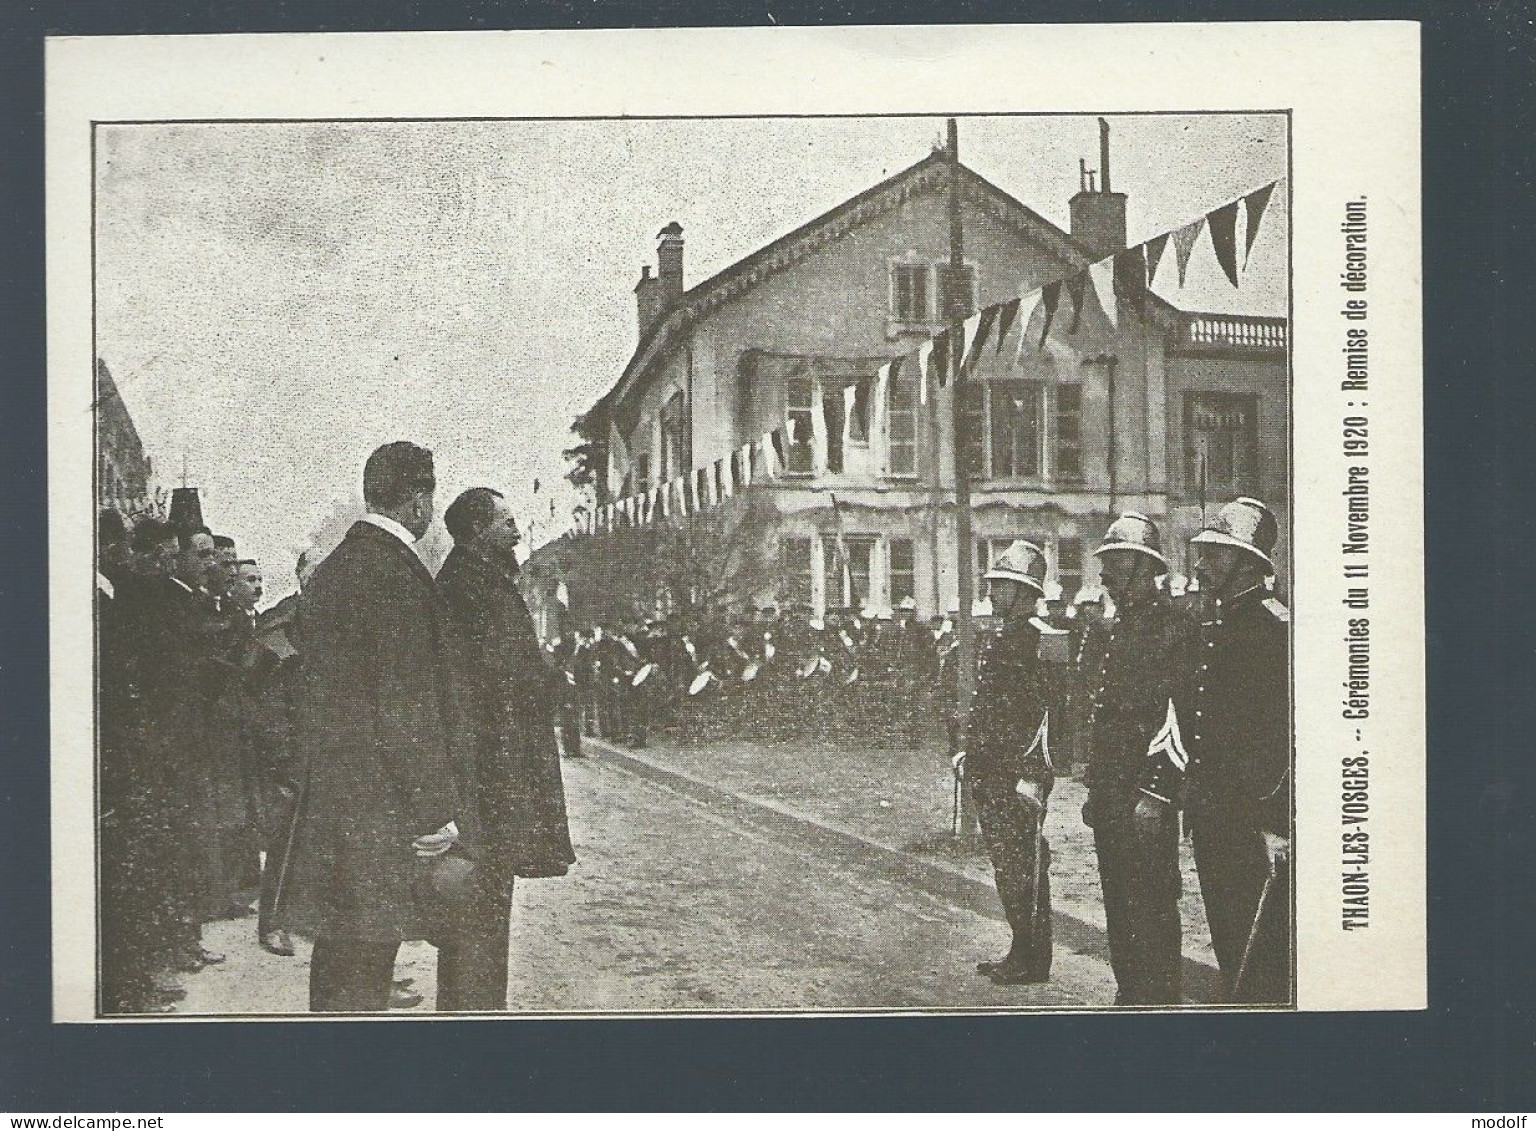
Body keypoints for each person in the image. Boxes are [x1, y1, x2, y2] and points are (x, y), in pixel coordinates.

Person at [278, 441, 474, 1012]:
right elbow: (404, 705)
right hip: (381, 803)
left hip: (339, 796)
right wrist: (437, 806)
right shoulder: (395, 574)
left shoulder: (337, 569)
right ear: (418, 501)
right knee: (366, 956)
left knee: (340, 955)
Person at [436, 488, 576, 1011]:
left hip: (493, 765)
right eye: (508, 521)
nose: (517, 532)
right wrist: (553, 683)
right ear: (477, 529)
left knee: (486, 901)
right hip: (489, 770)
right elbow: (502, 675)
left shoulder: (478, 581)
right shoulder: (472, 587)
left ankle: (475, 1008)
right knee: (481, 902)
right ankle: (473, 1016)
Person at [1079, 513, 1192, 1005]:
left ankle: (1159, 998)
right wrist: (1096, 785)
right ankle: (1131, 993)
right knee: (1119, 898)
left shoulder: (1172, 627)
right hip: (1111, 790)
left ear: (1143, 569)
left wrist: (1156, 792)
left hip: (1144, 794)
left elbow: (1175, 717)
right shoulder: (1119, 627)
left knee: (1152, 898)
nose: (1104, 575)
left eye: (1115, 566)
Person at [1183, 497, 1292, 1004]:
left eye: (1215, 555)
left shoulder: (1273, 629)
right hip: (1213, 810)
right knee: (1229, 934)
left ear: (1247, 563)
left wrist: (1274, 820)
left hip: (1251, 817)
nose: (1202, 565)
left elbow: (1280, 736)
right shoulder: (1218, 623)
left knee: (1259, 948)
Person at [954, 540, 1056, 985]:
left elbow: (1052, 714)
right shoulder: (1008, 635)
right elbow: (992, 706)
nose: (993, 593)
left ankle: (1033, 958)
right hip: (993, 770)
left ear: (1024, 591)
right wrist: (970, 751)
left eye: (1002, 586)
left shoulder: (1044, 639)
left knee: (1026, 865)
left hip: (1017, 775)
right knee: (1007, 864)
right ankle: (1021, 947)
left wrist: (1033, 774)